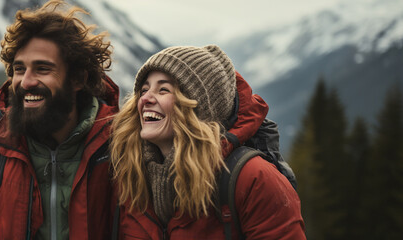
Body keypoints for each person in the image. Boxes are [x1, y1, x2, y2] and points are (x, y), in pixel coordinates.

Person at [0, 1, 119, 239]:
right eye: (19, 69)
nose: (26, 81)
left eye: (42, 69)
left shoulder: (118, 146)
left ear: (78, 79)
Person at [110, 45, 305, 239]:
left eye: (163, 90)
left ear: (200, 109)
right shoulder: (130, 178)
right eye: (144, 90)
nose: (146, 99)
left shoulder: (254, 179)